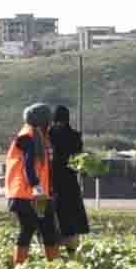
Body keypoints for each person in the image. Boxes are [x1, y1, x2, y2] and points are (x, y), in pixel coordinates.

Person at [0, 106, 55, 267]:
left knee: (47, 228)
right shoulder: (27, 138)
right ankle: (19, 265)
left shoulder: (36, 136)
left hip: (36, 194)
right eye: (48, 121)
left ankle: (54, 265)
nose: (49, 124)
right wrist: (36, 186)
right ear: (42, 121)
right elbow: (28, 165)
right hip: (26, 194)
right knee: (28, 228)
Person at [39, 102, 92, 256]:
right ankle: (72, 251)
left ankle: (51, 250)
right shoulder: (76, 136)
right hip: (70, 181)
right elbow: (78, 159)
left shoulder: (49, 134)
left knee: (52, 216)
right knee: (71, 216)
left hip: (51, 180)